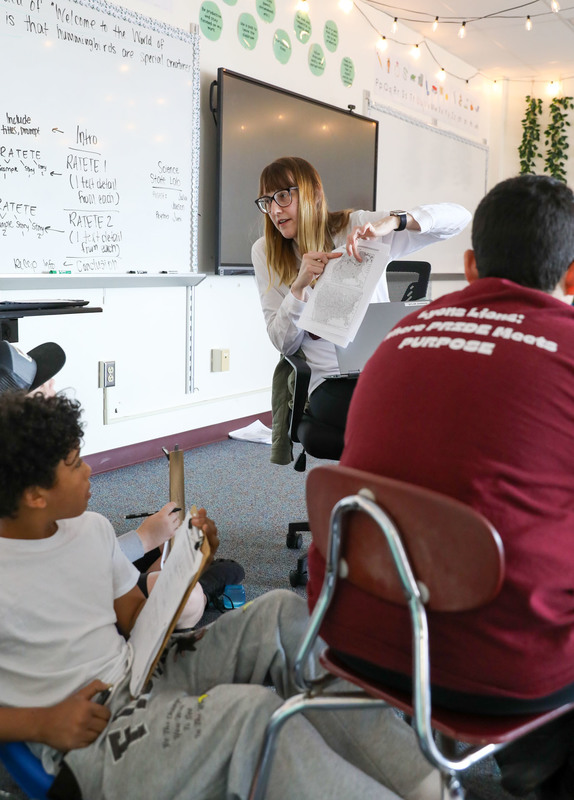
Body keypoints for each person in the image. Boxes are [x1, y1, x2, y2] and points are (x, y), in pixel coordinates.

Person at [0, 391, 446, 800]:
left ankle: (424, 784)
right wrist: (42, 723)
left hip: (138, 672)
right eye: (74, 463)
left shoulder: (92, 529)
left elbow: (134, 615)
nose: (88, 469)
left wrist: (187, 568)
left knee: (279, 615)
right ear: (36, 495)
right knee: (252, 717)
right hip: (88, 735)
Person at [307, 174, 574, 797]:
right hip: (495, 668)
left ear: (471, 266)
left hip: (350, 630)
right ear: (571, 277)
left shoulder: (398, 336)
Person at [0, 339, 244, 624]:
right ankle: (198, 587)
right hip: (69, 595)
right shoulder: (23, 495)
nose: (52, 384)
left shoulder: (36, 468)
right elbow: (64, 572)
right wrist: (144, 539)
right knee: (187, 597)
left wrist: (149, 543)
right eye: (41, 386)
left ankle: (176, 577)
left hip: (80, 572)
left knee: (180, 552)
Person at [251, 156, 471, 459]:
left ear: (313, 193)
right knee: (395, 420)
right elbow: (283, 344)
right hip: (328, 381)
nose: (275, 210)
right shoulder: (265, 251)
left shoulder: (355, 226)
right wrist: (298, 290)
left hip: (381, 368)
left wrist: (394, 221)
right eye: (267, 201)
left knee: (446, 407)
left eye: (283, 196)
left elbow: (459, 217)